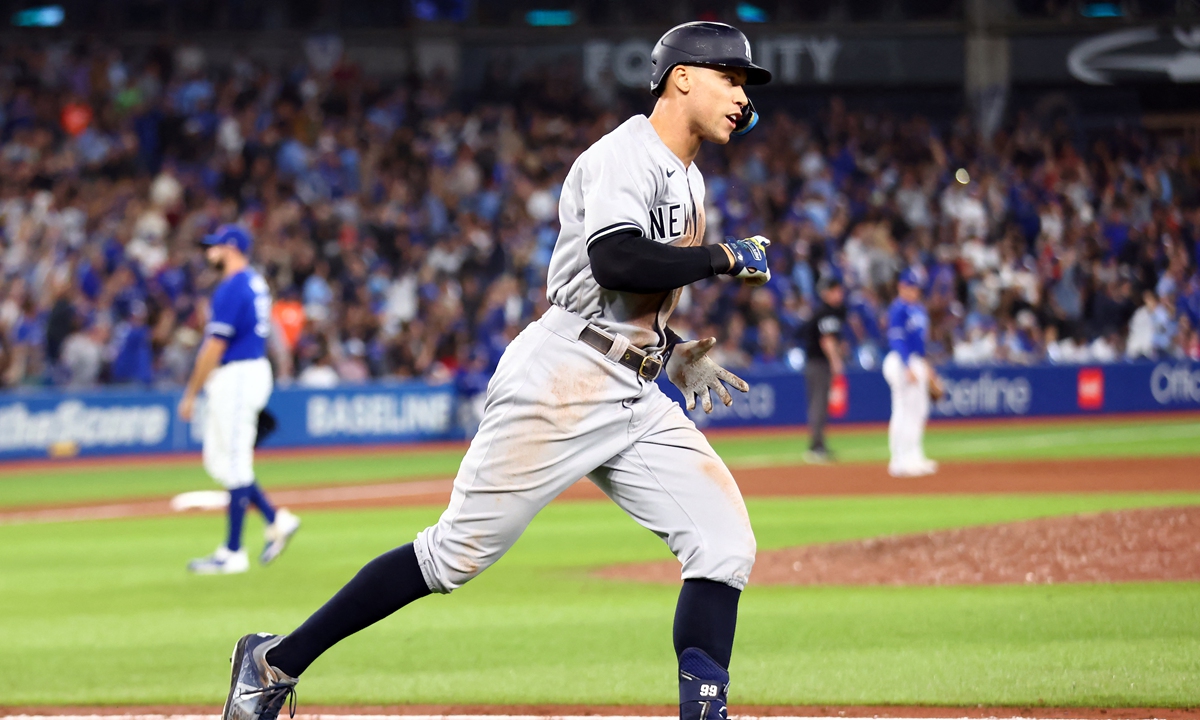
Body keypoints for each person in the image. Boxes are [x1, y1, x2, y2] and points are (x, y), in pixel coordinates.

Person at [220, 21, 772, 720]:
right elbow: (615, 260)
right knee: (454, 556)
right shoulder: (625, 155)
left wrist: (674, 350)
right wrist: (722, 257)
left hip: (634, 389)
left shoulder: (688, 180)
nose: (741, 97)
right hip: (563, 379)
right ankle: (272, 664)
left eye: (745, 85)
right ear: (681, 77)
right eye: (730, 77)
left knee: (724, 543)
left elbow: (636, 288)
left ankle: (704, 712)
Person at [178, 224, 300, 574]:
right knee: (225, 461)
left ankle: (233, 552)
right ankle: (276, 519)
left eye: (215, 247)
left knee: (233, 462)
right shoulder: (255, 282)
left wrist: (191, 392)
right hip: (249, 370)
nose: (209, 253)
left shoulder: (233, 286)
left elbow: (214, 345)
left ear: (231, 248)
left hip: (239, 374)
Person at [882, 268, 938, 477]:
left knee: (919, 410)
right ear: (901, 286)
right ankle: (898, 460)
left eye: (915, 287)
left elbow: (920, 343)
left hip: (916, 360)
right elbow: (897, 339)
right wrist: (907, 365)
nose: (913, 291)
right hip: (900, 361)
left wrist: (926, 367)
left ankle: (915, 456)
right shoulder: (898, 309)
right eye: (909, 286)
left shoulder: (919, 309)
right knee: (903, 409)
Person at [802, 275, 846, 463]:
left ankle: (818, 444)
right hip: (818, 364)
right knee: (819, 404)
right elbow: (826, 340)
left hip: (816, 363)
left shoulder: (828, 311)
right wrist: (836, 361)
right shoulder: (826, 312)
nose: (839, 294)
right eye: (835, 290)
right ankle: (816, 446)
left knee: (820, 404)